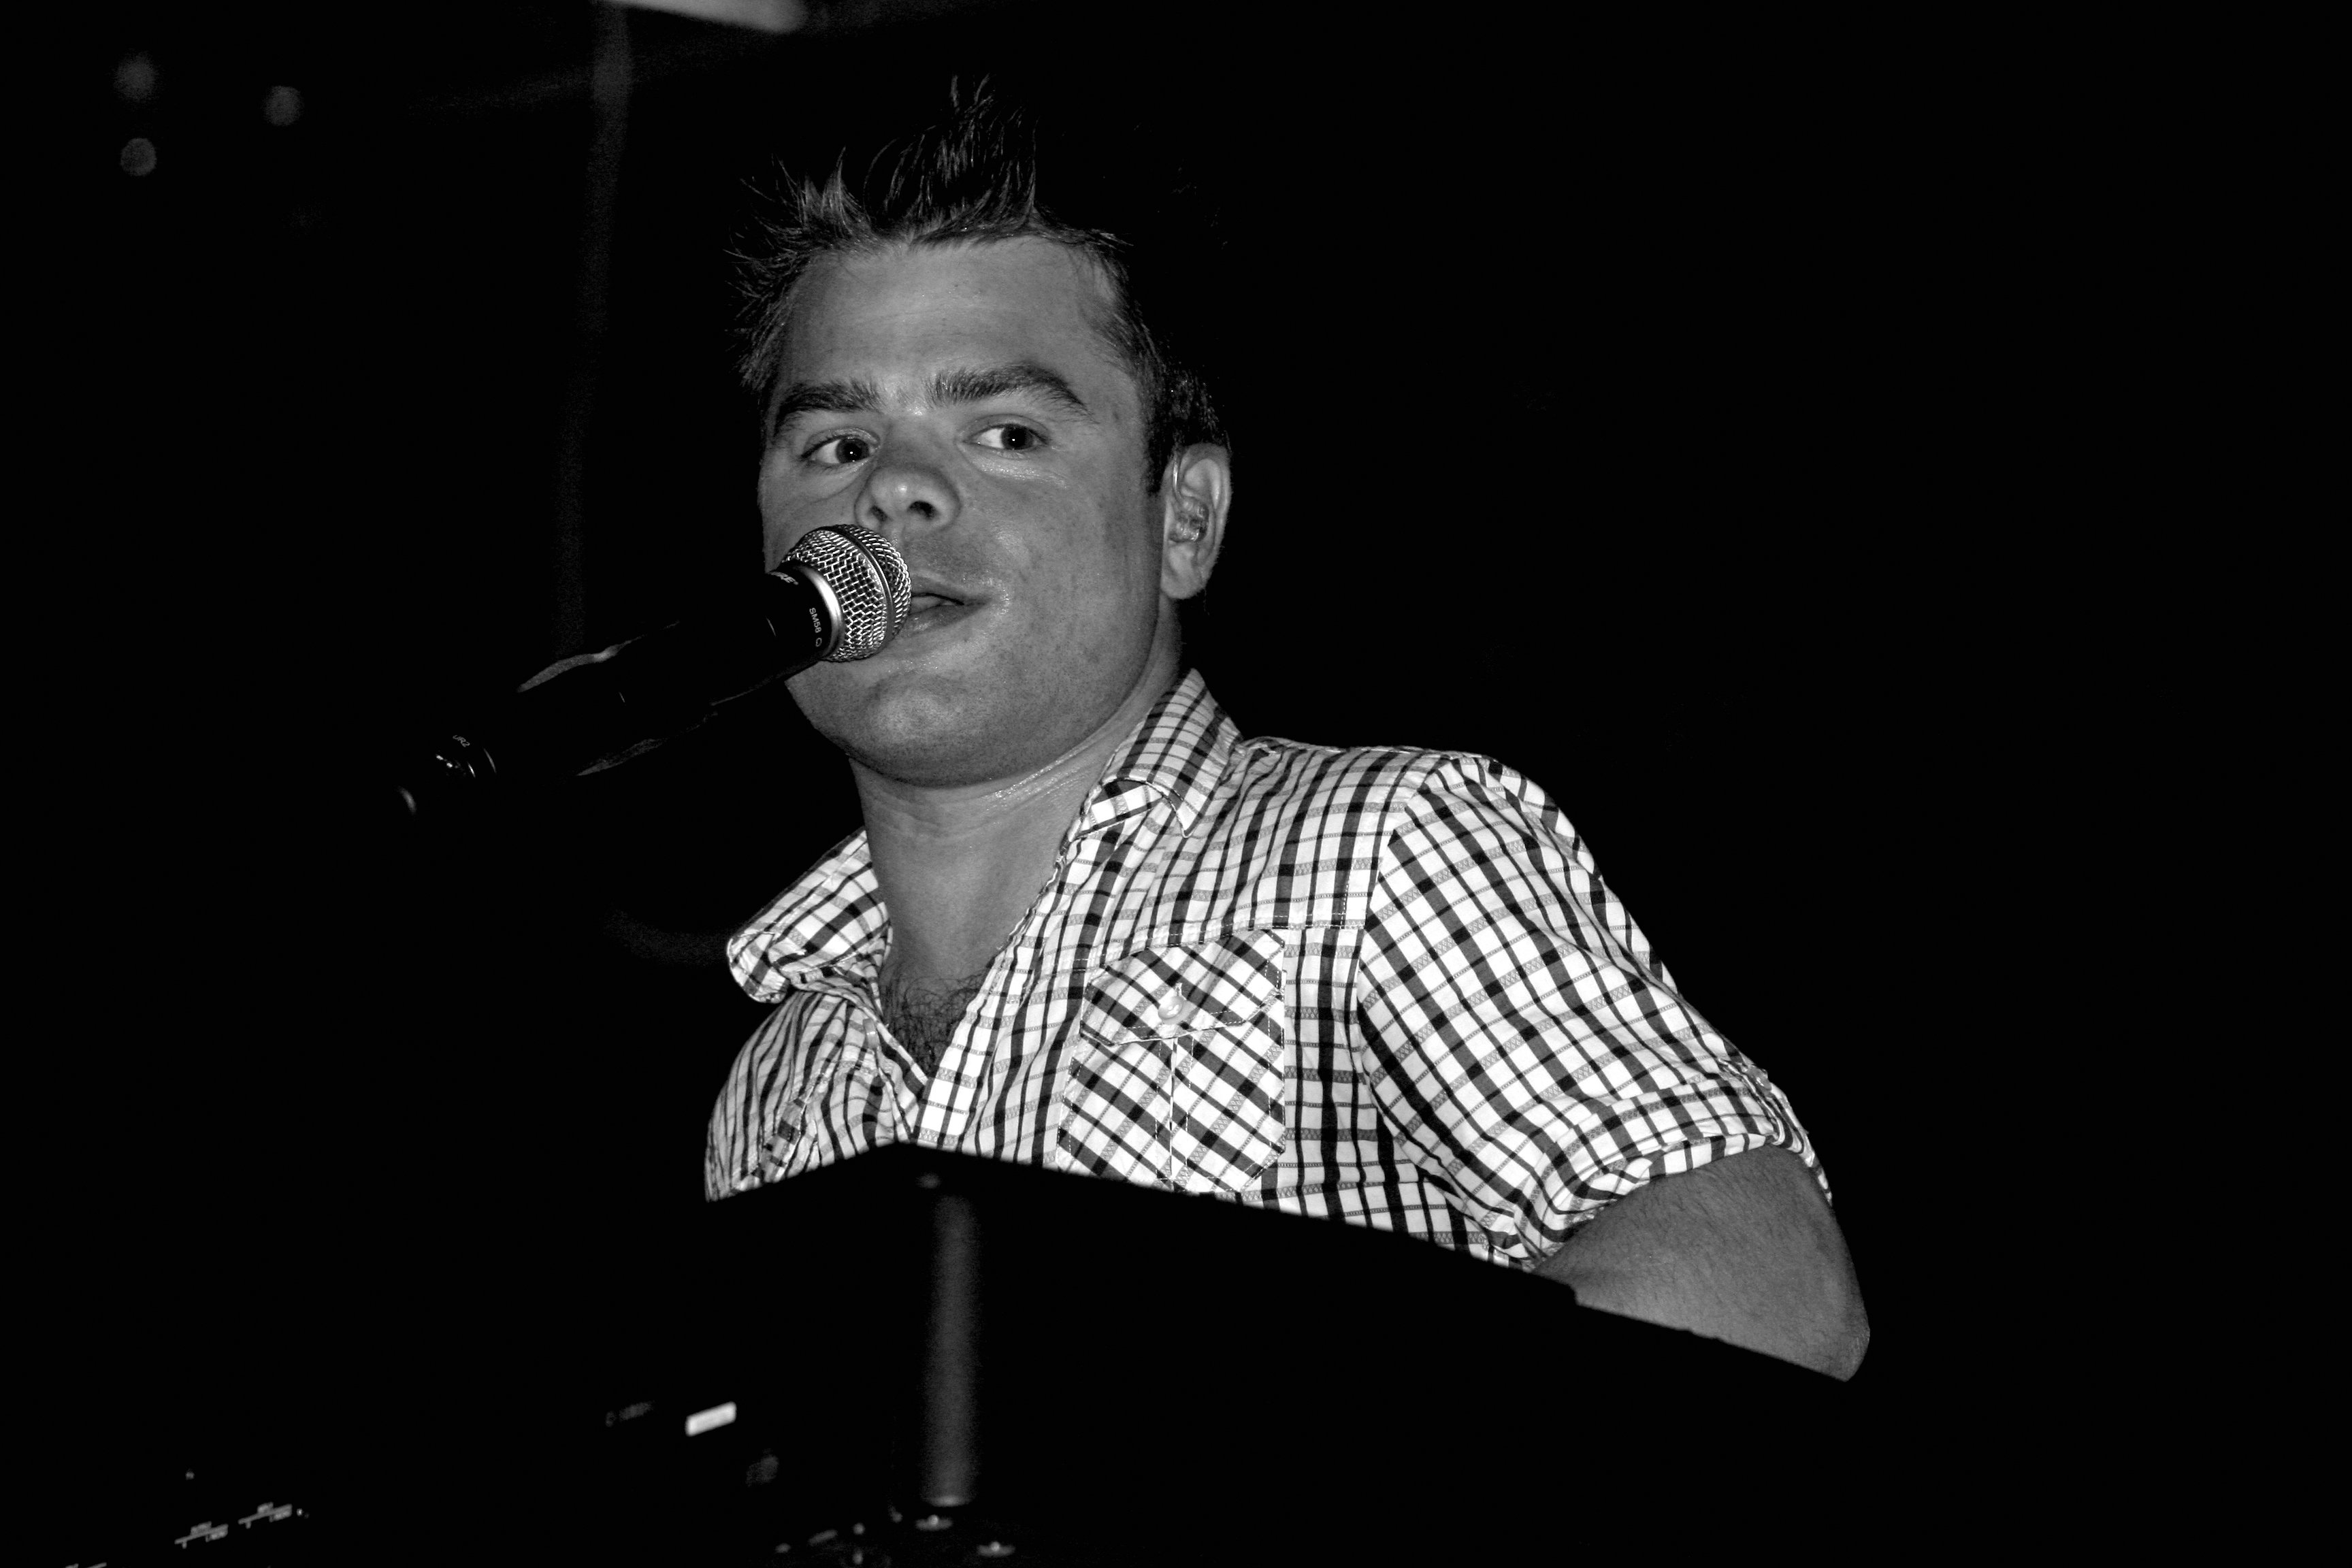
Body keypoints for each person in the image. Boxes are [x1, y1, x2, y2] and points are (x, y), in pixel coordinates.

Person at [704, 86, 1867, 1380]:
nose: (894, 490)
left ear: (1185, 521)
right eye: (836, 443)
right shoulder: (778, 1083)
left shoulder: (1377, 854)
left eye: (1007, 433)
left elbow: (1767, 1287)